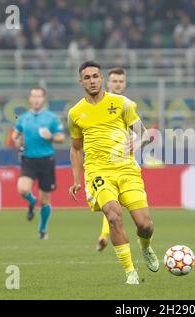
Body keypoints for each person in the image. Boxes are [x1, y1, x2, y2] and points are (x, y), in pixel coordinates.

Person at [68, 61, 159, 284]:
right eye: (87, 77)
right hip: (98, 173)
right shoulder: (75, 113)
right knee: (113, 215)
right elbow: (76, 148)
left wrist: (136, 145)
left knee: (145, 225)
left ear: (102, 79)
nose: (92, 80)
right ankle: (130, 272)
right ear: (81, 82)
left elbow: (146, 135)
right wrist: (76, 179)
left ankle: (145, 246)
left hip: (127, 170)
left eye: (95, 76)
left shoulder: (122, 104)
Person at [12, 87, 65, 239]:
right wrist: (17, 140)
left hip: (46, 160)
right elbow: (16, 136)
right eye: (33, 96)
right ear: (29, 99)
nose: (36, 99)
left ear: (43, 99)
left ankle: (42, 229)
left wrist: (51, 136)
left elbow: (61, 137)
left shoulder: (51, 118)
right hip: (28, 160)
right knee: (22, 190)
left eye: (39, 97)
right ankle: (31, 201)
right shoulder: (23, 118)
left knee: (45, 200)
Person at [96, 67, 128, 252]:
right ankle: (104, 235)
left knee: (115, 204)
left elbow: (139, 133)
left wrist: (136, 141)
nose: (118, 84)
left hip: (124, 161)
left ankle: (104, 235)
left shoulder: (127, 105)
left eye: (121, 81)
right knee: (112, 203)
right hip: (102, 162)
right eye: (114, 81)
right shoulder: (99, 103)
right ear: (107, 83)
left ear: (125, 84)